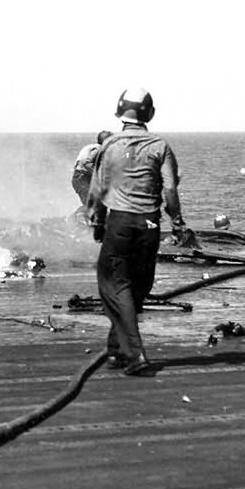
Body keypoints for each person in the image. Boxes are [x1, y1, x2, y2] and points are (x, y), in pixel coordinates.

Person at [87, 88, 190, 376]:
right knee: (136, 286)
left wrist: (97, 223)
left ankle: (136, 355)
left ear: (120, 113)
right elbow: (170, 189)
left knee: (113, 285)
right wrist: (178, 223)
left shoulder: (109, 146)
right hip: (150, 226)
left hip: (119, 224)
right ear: (150, 114)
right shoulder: (161, 146)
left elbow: (97, 191)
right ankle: (117, 349)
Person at [72, 130, 113, 203]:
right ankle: (80, 214)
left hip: (81, 178)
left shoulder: (92, 147)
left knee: (96, 202)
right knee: (91, 204)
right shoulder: (98, 149)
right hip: (82, 178)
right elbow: (87, 163)